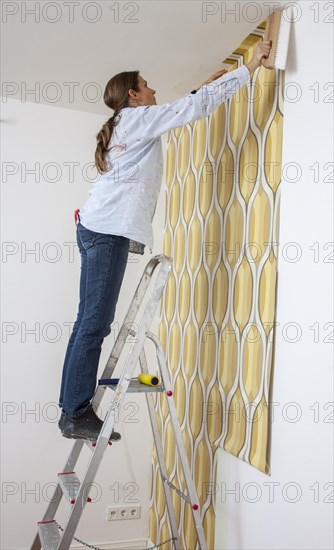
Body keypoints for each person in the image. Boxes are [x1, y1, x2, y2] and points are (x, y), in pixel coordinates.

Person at [58, 40, 272, 441]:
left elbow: (180, 110)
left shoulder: (130, 123)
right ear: (134, 95)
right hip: (105, 232)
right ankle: (75, 413)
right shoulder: (136, 120)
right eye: (147, 85)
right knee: (94, 325)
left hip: (96, 228)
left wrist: (210, 85)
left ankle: (71, 410)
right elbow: (187, 111)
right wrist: (250, 69)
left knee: (87, 324)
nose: (153, 90)